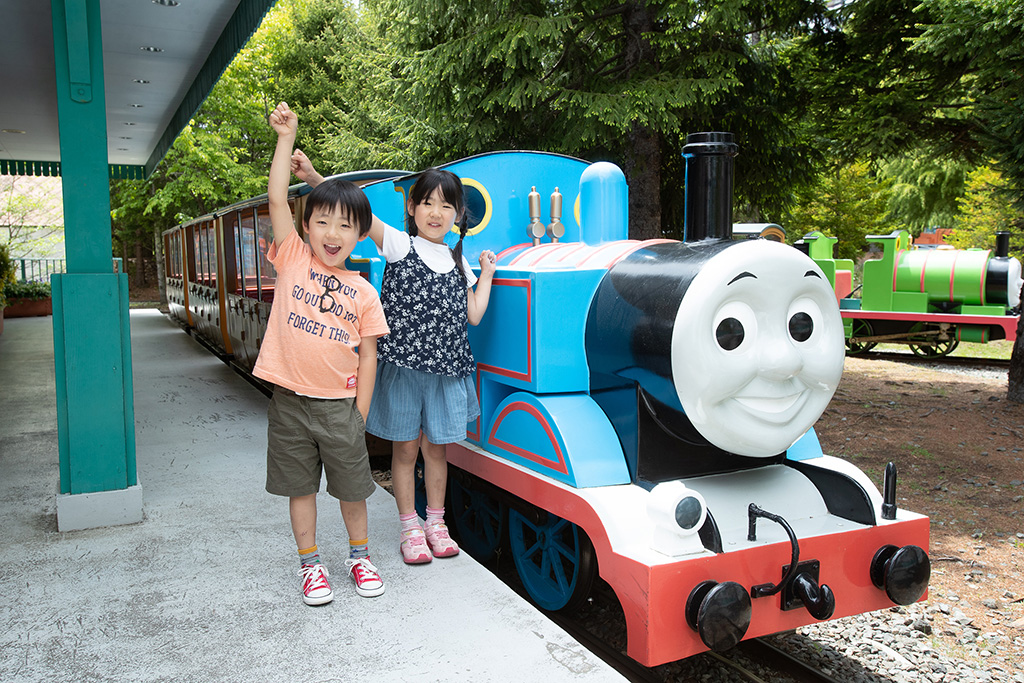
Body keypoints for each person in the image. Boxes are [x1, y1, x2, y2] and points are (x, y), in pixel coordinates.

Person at [293, 149, 496, 565]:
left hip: (446, 372)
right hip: (404, 369)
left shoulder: (461, 262)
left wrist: (487, 274)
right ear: (412, 207)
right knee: (405, 451)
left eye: (446, 205)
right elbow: (358, 215)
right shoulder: (401, 245)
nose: (435, 212)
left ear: (458, 213)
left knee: (437, 451)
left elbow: (474, 315)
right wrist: (315, 176)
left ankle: (436, 525)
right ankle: (410, 527)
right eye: (427, 202)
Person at [255, 102, 390, 605]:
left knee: (353, 490)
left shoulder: (363, 292)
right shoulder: (292, 256)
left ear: (359, 234)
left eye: (346, 226)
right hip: (289, 402)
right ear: (306, 225)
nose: (333, 234)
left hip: (341, 408)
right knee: (301, 489)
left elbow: (369, 356)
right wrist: (286, 139)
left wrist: (361, 413)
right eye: (323, 222)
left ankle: (359, 556)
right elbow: (274, 199)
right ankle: (311, 566)